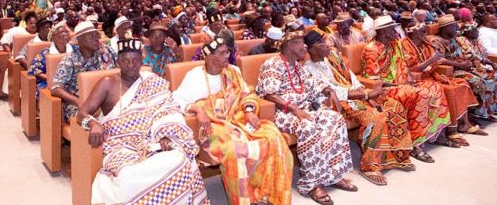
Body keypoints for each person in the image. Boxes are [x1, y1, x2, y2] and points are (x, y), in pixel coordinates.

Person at [78, 38, 209, 205]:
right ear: (118, 62)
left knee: (179, 159)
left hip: (150, 142)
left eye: (135, 60)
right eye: (125, 61)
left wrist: (165, 135)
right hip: (118, 145)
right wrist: (92, 123)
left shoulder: (151, 82)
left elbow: (167, 110)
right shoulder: (107, 83)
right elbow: (81, 112)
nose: (130, 65)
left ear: (142, 61)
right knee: (129, 177)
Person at [174, 38, 293, 204]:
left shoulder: (233, 71)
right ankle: (244, 199)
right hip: (214, 127)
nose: (227, 56)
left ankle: (265, 193)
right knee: (235, 149)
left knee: (272, 137)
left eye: (227, 52)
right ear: (208, 57)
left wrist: (250, 110)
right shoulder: (194, 76)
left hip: (238, 119)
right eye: (222, 53)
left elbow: (247, 94)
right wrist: (198, 109)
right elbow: (176, 100)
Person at [256, 31, 356, 205]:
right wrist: (293, 108)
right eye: (300, 43)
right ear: (289, 45)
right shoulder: (272, 64)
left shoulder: (296, 65)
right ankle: (311, 183)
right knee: (308, 126)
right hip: (282, 113)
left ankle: (333, 174)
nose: (304, 46)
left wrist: (329, 90)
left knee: (335, 119)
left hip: (304, 109)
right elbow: (268, 94)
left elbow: (313, 82)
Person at [303, 30, 414, 186]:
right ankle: (369, 166)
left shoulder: (333, 58)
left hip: (357, 95)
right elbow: (333, 92)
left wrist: (364, 92)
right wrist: (365, 97)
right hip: (339, 102)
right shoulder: (308, 69)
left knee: (394, 106)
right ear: (312, 49)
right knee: (375, 118)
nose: (328, 45)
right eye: (322, 43)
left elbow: (351, 78)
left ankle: (397, 155)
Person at [362, 16, 450, 163]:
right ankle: (415, 144)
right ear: (383, 31)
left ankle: (436, 134)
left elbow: (403, 66)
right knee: (419, 94)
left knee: (436, 89)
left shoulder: (395, 43)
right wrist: (400, 85)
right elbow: (373, 79)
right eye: (392, 28)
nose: (396, 31)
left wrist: (409, 79)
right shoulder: (371, 49)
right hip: (385, 89)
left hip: (403, 83)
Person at [401, 21, 479, 146]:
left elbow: (432, 66)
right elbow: (414, 69)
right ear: (414, 32)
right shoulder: (404, 45)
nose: (425, 34)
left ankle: (464, 124)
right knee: (448, 91)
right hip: (416, 79)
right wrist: (433, 59)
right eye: (422, 31)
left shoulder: (424, 44)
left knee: (461, 84)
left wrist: (436, 73)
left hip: (429, 76)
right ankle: (449, 131)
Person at [51, 21, 118, 122]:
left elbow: (121, 70)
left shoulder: (107, 51)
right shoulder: (70, 60)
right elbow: (56, 88)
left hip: (107, 100)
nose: (97, 39)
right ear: (80, 39)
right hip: (79, 103)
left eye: (96, 35)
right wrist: (77, 101)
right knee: (93, 121)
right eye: (91, 36)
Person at [28, 21, 74, 98]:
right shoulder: (46, 52)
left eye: (67, 31)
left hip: (72, 81)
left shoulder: (75, 50)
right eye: (62, 32)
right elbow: (33, 69)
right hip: (50, 82)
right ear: (54, 37)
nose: (66, 33)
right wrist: (50, 78)